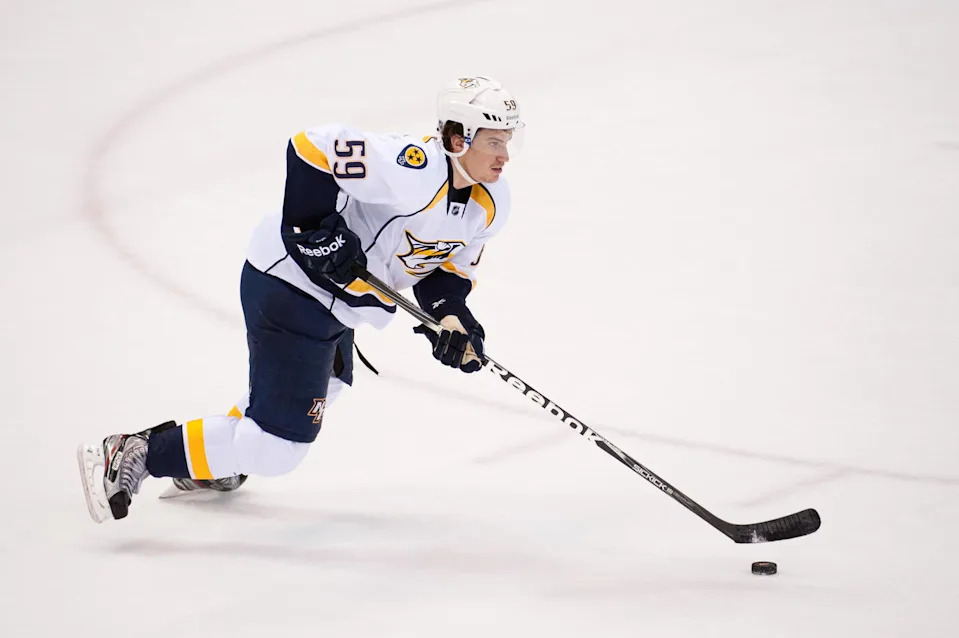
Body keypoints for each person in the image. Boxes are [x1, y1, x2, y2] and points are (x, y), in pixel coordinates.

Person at [77, 76, 523, 522]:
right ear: (456, 138)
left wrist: (452, 318)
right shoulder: (414, 167)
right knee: (278, 448)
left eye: (508, 140)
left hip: (336, 301)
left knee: (329, 386)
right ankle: (136, 451)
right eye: (493, 141)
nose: (504, 155)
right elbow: (312, 148)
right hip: (291, 284)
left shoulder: (491, 204)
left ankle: (218, 458)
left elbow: (444, 270)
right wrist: (311, 228)